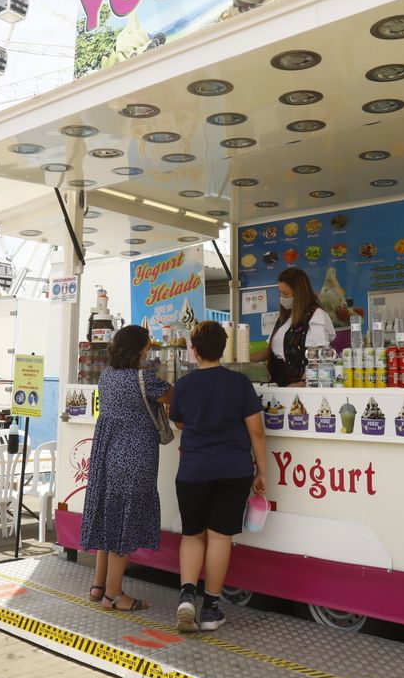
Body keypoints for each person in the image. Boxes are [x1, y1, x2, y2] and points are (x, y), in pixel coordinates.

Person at [170, 321, 266, 634]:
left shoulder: (184, 385)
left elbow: (180, 424)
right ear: (224, 348)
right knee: (220, 537)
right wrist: (262, 471)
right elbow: (257, 432)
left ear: (194, 351)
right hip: (233, 469)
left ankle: (187, 597)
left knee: (193, 534)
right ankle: (210, 609)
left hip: (193, 470)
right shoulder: (240, 384)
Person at [79, 324, 170, 611]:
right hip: (135, 453)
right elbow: (175, 396)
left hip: (106, 452)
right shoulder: (146, 380)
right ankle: (114, 595)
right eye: (147, 345)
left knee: (110, 515)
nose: (149, 349)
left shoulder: (106, 377)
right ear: (139, 349)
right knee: (124, 522)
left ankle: (98, 585)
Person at [266, 268, 334, 387]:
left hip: (302, 385)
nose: (282, 297)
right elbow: (273, 348)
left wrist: (302, 382)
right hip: (280, 381)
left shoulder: (315, 315)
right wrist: (243, 356)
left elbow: (318, 354)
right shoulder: (284, 317)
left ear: (299, 293)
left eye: (286, 293)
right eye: (280, 292)